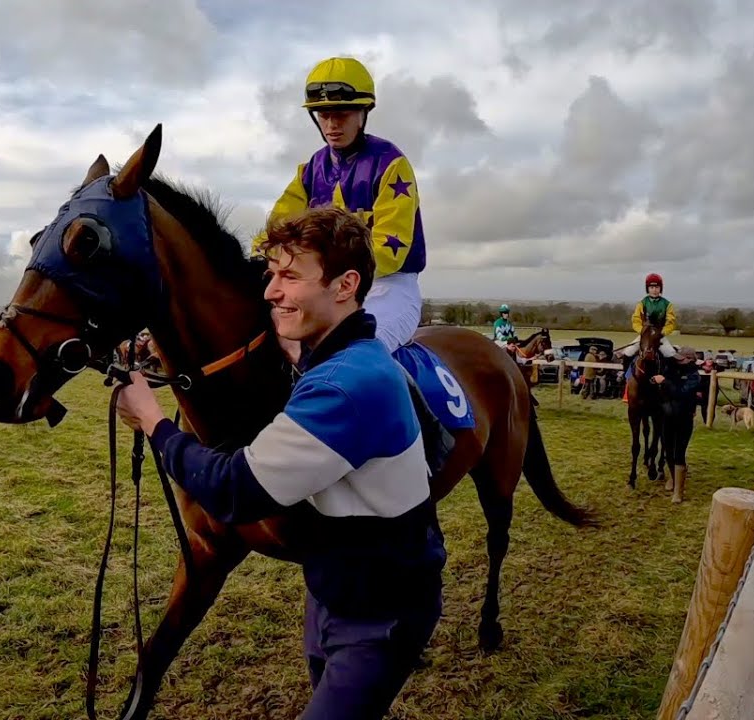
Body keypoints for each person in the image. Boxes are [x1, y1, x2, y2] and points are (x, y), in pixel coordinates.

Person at [119, 207, 444, 720]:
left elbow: (235, 489)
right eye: (271, 275)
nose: (270, 291)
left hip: (379, 615)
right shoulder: (334, 360)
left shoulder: (347, 383)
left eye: (290, 277)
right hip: (332, 595)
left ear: (346, 285)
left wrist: (153, 422)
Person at [253, 56, 450, 469]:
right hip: (326, 286)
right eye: (323, 115)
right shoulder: (311, 170)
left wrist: (325, 274)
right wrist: (262, 257)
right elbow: (278, 228)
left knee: (365, 353)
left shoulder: (391, 163)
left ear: (363, 113)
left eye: (341, 113)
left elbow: (391, 250)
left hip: (387, 286)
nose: (331, 123)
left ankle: (429, 438)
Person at [655, 345, 701, 503]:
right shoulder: (671, 370)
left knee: (679, 453)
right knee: (667, 450)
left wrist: (665, 382)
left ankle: (678, 492)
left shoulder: (694, 376)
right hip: (667, 416)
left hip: (684, 418)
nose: (678, 361)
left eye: (681, 358)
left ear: (689, 359)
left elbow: (681, 392)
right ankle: (673, 479)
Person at [618, 273, 678, 364]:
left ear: (660, 288)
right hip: (644, 336)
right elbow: (636, 320)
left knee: (670, 354)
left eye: (657, 287)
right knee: (628, 352)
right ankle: (626, 372)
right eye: (651, 287)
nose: (654, 290)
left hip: (659, 336)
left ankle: (669, 373)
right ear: (648, 288)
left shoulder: (668, 305)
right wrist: (643, 332)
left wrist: (662, 333)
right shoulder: (641, 304)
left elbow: (671, 323)